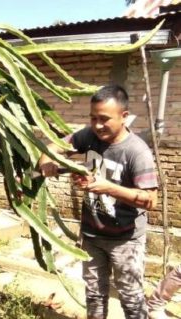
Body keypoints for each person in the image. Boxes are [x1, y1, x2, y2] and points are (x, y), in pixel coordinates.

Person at [38, 84, 158, 319]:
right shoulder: (89, 136)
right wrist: (46, 160)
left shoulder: (137, 152)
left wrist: (108, 188)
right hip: (92, 234)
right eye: (93, 118)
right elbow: (55, 146)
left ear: (124, 117)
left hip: (126, 240)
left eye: (104, 119)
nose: (97, 125)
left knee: (131, 298)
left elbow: (150, 200)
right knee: (94, 294)